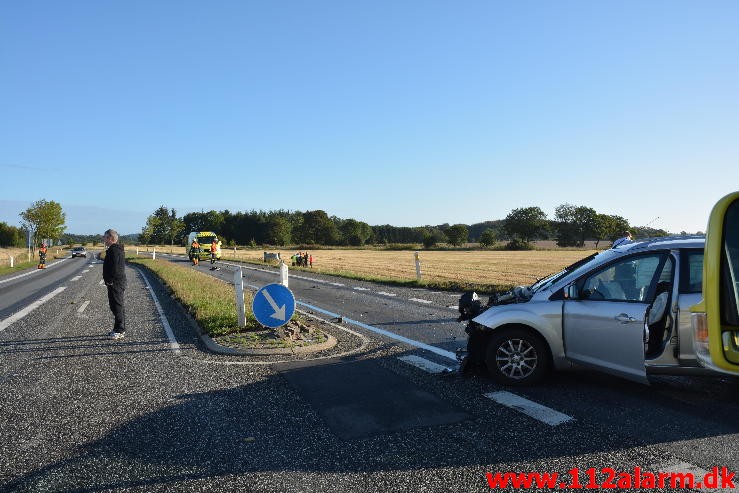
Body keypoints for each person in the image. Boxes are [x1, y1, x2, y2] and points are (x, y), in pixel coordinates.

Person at [103, 229, 127, 340]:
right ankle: (117, 328)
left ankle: (120, 330)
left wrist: (110, 280)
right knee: (115, 306)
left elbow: (115, 268)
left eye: (105, 237)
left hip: (116, 283)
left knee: (117, 306)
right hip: (115, 282)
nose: (104, 239)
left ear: (111, 238)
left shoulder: (114, 251)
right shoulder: (114, 249)